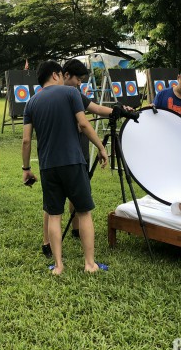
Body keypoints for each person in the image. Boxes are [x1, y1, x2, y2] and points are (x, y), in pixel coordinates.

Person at [22, 60, 109, 275]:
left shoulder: (30, 103)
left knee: (54, 215)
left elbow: (26, 141)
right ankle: (90, 264)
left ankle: (58, 266)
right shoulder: (70, 94)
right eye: (61, 75)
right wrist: (101, 147)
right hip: (73, 162)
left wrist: (26, 168)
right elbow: (83, 124)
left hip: (47, 166)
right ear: (55, 75)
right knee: (84, 212)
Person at [39, 58, 129, 257]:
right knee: (53, 205)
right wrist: (101, 146)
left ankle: (77, 229)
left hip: (76, 150)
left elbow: (95, 108)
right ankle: (47, 242)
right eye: (77, 79)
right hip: (59, 153)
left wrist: (119, 111)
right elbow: (84, 124)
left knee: (77, 192)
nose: (80, 83)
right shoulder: (55, 95)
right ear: (64, 75)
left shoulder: (74, 93)